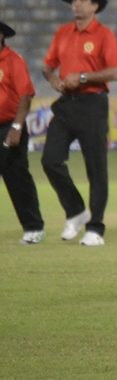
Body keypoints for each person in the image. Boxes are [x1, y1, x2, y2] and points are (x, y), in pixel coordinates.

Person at [41, 0, 117, 246]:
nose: (76, 3)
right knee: (50, 160)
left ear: (94, 6)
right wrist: (53, 78)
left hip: (93, 104)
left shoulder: (104, 35)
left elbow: (116, 71)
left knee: (96, 169)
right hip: (66, 104)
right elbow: (47, 65)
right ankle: (77, 211)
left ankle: (95, 228)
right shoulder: (62, 33)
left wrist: (84, 77)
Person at [0, 19, 45, 245]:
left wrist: (17, 127)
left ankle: (33, 227)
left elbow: (25, 95)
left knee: (16, 175)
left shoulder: (13, 60)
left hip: (8, 125)